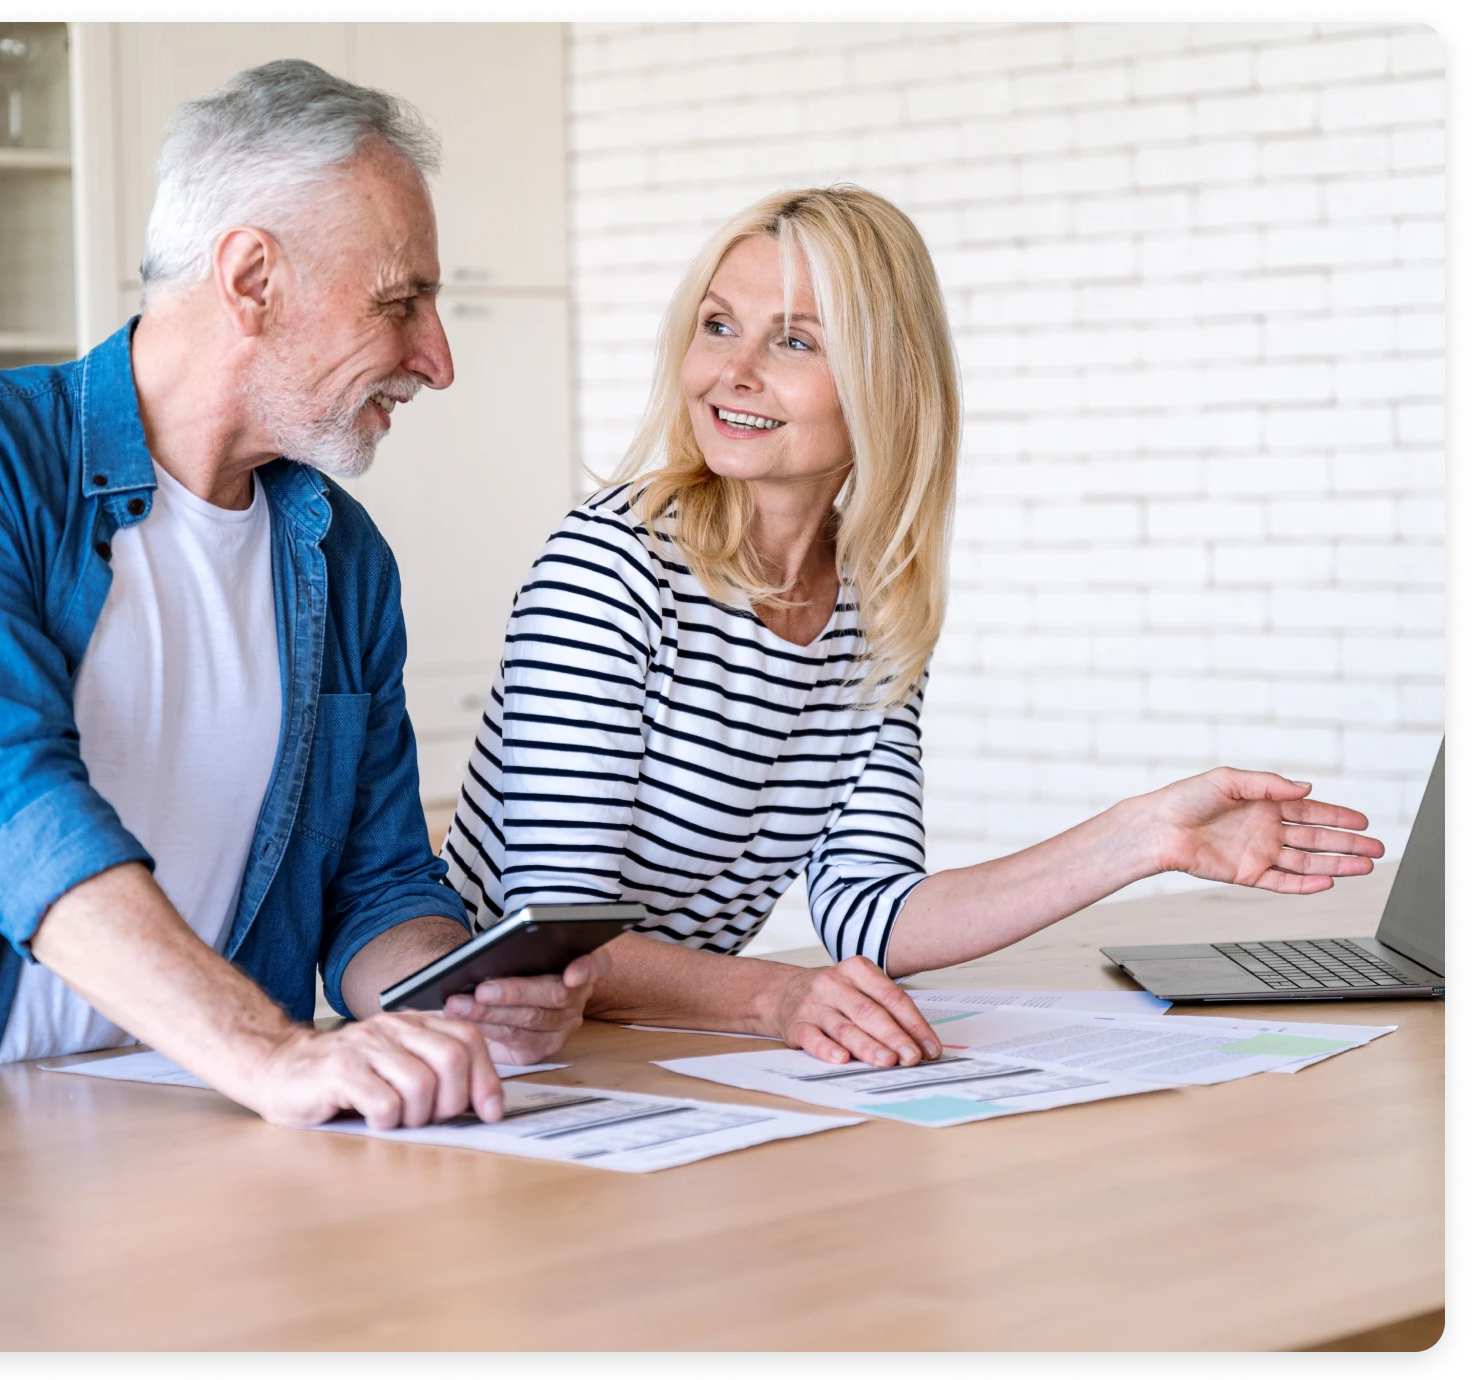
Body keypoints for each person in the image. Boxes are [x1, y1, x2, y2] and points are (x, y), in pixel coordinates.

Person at [0, 61, 599, 1126]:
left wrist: (459, 989)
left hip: (173, 1136)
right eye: (402, 301)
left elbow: (377, 888)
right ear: (251, 279)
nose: (436, 360)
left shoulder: (344, 558)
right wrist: (268, 1051)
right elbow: (5, 809)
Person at [440, 185, 1384, 1070]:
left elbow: (871, 913)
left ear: (881, 382)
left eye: (795, 343)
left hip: (645, 1049)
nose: (732, 371)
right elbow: (546, 928)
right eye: (718, 325)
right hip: (479, 1051)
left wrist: (1143, 840)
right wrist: (774, 999)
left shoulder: (876, 604)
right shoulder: (613, 565)